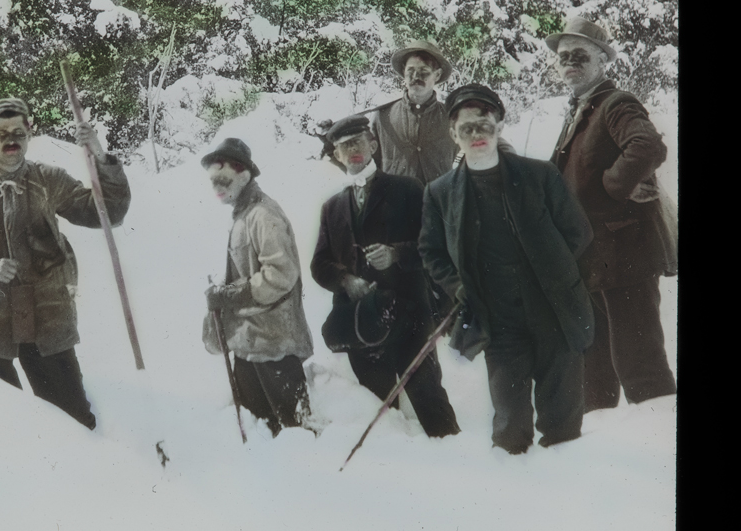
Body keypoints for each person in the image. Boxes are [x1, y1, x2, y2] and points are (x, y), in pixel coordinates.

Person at [0, 97, 131, 429]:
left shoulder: (49, 180)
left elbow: (107, 213)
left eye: (18, 131)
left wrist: (100, 156)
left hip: (46, 318)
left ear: (30, 133)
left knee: (73, 421)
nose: (11, 139)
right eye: (2, 132)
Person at [419, 85, 595, 453]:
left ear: (499, 124)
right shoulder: (440, 192)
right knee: (510, 425)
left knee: (563, 423)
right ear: (453, 135)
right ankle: (518, 496)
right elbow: (431, 251)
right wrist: (458, 285)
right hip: (497, 320)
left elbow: (577, 233)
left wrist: (553, 274)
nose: (476, 135)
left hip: (554, 311)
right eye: (466, 129)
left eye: (484, 125)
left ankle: (567, 494)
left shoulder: (539, 175)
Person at [545, 17, 677, 411]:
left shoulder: (615, 103)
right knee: (595, 371)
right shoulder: (579, 110)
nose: (570, 62)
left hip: (626, 256)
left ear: (602, 61)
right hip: (590, 260)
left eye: (580, 55)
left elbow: (647, 146)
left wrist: (612, 186)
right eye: (563, 56)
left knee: (640, 366)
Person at [311, 115, 460, 438]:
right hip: (362, 323)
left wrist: (396, 254)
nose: (352, 150)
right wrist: (347, 281)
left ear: (374, 145)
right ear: (336, 155)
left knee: (428, 398)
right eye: (343, 146)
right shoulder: (332, 207)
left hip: (409, 318)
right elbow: (319, 264)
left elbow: (435, 246)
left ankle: (458, 465)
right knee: (378, 410)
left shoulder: (406, 189)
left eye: (358, 142)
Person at [201, 138, 314, 436]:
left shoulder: (263, 214)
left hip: (275, 345)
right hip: (250, 344)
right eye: (214, 182)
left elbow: (280, 273)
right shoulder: (242, 214)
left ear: (243, 173)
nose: (218, 188)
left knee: (295, 433)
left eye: (224, 180)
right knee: (259, 432)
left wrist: (234, 294)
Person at [364, 40, 457, 185]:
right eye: (410, 71)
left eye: (424, 71)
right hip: (395, 203)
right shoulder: (383, 117)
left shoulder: (452, 117)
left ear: (437, 75)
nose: (416, 77)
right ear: (403, 72)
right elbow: (365, 164)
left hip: (438, 204)